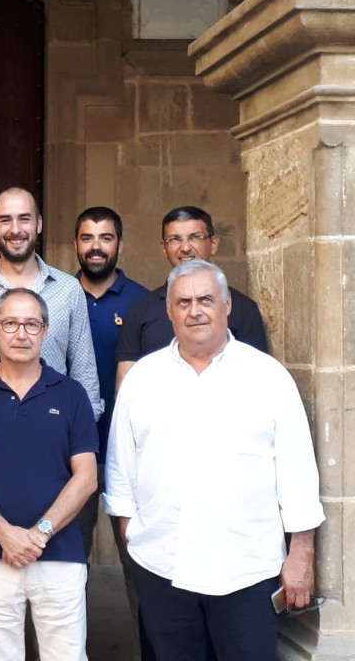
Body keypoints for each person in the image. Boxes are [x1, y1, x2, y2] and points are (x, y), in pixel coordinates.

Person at [105, 260, 325, 660]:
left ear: (227, 305)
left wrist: (301, 554)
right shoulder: (143, 378)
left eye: (206, 299)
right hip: (162, 564)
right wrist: (129, 527)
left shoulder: (268, 377)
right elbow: (121, 464)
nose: (195, 310)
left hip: (245, 567)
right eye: (183, 301)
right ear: (169, 311)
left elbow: (297, 472)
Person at [0, 288, 98, 661]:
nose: (21, 333)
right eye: (11, 323)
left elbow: (87, 477)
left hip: (60, 555)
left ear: (46, 330)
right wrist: (5, 534)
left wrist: (38, 534)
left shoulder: (71, 394)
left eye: (32, 324)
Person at [0, 187, 101, 420]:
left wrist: (85, 427)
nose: (15, 230)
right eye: (6, 220)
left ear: (38, 224)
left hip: (53, 424)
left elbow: (83, 368)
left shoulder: (68, 289)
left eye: (24, 219)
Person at [73, 207, 150, 660]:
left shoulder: (143, 302)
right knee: (67, 566)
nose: (95, 246)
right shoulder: (58, 297)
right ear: (76, 243)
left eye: (105, 237)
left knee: (139, 562)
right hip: (71, 453)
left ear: (120, 244)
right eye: (87, 237)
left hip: (131, 454)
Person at [115, 205, 267, 389]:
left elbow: (258, 377)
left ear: (214, 243)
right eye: (174, 239)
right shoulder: (140, 310)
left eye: (195, 237)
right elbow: (126, 387)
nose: (185, 247)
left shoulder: (243, 308)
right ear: (164, 248)